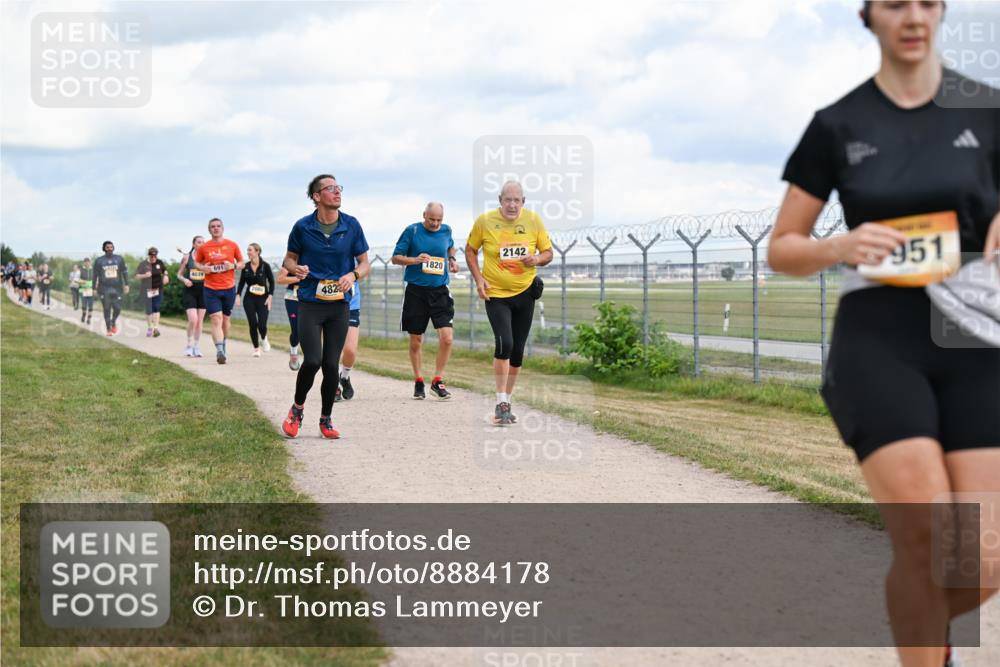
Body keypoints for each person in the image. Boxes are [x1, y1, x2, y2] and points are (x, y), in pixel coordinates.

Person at [768, 3, 999, 666]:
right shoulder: (837, 124)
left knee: (984, 553)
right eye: (896, 2)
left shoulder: (988, 112)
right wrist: (840, 244)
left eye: (928, 1)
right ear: (869, 15)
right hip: (880, 336)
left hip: (978, 333)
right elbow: (783, 248)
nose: (914, 15)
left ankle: (917, 615)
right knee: (926, 542)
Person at [280, 174, 369, 439]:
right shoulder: (302, 227)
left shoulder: (351, 225)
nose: (337, 192)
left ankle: (326, 419)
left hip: (338, 305)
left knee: (331, 364)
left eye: (338, 187)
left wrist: (352, 275)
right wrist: (297, 268)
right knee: (313, 361)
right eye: (330, 188)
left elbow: (364, 263)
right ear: (316, 197)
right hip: (310, 303)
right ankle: (297, 409)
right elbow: (288, 260)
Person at [466, 180, 552, 425]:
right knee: (505, 343)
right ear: (500, 200)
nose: (512, 205)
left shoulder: (533, 221)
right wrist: (479, 279)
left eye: (517, 200)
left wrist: (536, 259)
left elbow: (548, 253)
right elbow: (470, 250)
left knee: (517, 351)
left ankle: (508, 401)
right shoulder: (485, 221)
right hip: (496, 294)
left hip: (525, 293)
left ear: (523, 202)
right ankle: (500, 401)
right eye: (508, 200)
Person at [392, 202, 459, 400]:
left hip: (440, 291)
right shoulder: (412, 231)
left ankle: (438, 380)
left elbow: (451, 247)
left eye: (439, 220)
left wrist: (453, 260)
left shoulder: (446, 230)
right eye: (431, 219)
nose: (435, 223)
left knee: (447, 338)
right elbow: (396, 258)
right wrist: (415, 260)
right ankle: (419, 380)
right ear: (424, 215)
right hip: (416, 292)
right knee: (416, 339)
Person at [194, 218, 244, 364]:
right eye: (212, 227)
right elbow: (197, 263)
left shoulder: (232, 245)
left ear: (223, 228)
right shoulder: (204, 247)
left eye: (218, 226)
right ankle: (220, 350)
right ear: (209, 230)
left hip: (228, 288)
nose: (215, 228)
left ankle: (223, 342)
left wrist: (232, 266)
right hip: (211, 288)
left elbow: (241, 263)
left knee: (226, 321)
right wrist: (204, 268)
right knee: (216, 319)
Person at [236, 243, 275, 357]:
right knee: (253, 323)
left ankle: (264, 338)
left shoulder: (265, 266)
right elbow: (242, 282)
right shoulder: (246, 266)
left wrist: (270, 296)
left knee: (262, 325)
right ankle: (256, 348)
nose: (248, 252)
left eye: (250, 250)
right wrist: (238, 295)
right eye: (247, 250)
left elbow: (272, 282)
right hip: (249, 299)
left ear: (257, 251)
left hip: (263, 299)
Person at [177, 235, 207, 357]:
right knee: (193, 320)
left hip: (204, 291)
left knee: (199, 321)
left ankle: (196, 346)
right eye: (199, 242)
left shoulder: (207, 258)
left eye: (203, 242)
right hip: (190, 290)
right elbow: (179, 274)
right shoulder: (186, 257)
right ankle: (189, 344)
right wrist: (184, 280)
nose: (202, 244)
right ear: (194, 244)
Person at [93, 241, 129, 335]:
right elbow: (95, 275)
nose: (109, 248)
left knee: (117, 308)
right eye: (107, 247)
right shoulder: (99, 260)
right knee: (107, 308)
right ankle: (108, 329)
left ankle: (113, 322)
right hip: (104, 288)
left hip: (117, 288)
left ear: (113, 248)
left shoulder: (119, 259)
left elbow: (124, 272)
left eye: (111, 247)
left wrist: (126, 284)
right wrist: (93, 288)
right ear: (104, 248)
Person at [336, 274, 363, 400]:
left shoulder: (355, 254)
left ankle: (344, 377)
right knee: (332, 349)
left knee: (350, 351)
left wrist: (353, 275)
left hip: (351, 304)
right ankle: (333, 385)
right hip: (327, 303)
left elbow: (364, 267)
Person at [135, 247, 169, 337]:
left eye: (155, 255)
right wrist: (144, 275)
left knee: (156, 307)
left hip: (158, 289)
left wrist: (166, 276)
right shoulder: (143, 264)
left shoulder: (159, 262)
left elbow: (164, 270)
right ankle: (150, 327)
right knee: (149, 310)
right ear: (148, 255)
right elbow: (136, 276)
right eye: (151, 256)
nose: (153, 257)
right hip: (146, 290)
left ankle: (156, 328)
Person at [276, 265, 302, 370]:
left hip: (312, 298)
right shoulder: (291, 260)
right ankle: (294, 353)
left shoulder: (316, 255)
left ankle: (312, 359)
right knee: (296, 329)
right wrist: (299, 278)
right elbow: (280, 279)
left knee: (310, 329)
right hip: (293, 297)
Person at [78, 257, 94, 324]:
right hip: (83, 290)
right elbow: (76, 279)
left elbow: (97, 279)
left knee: (90, 305)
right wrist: (82, 281)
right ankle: (84, 314)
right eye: (86, 262)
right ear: (84, 263)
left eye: (88, 262)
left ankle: (89, 319)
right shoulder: (80, 270)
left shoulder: (93, 270)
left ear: (90, 262)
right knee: (84, 305)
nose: (87, 263)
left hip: (91, 290)